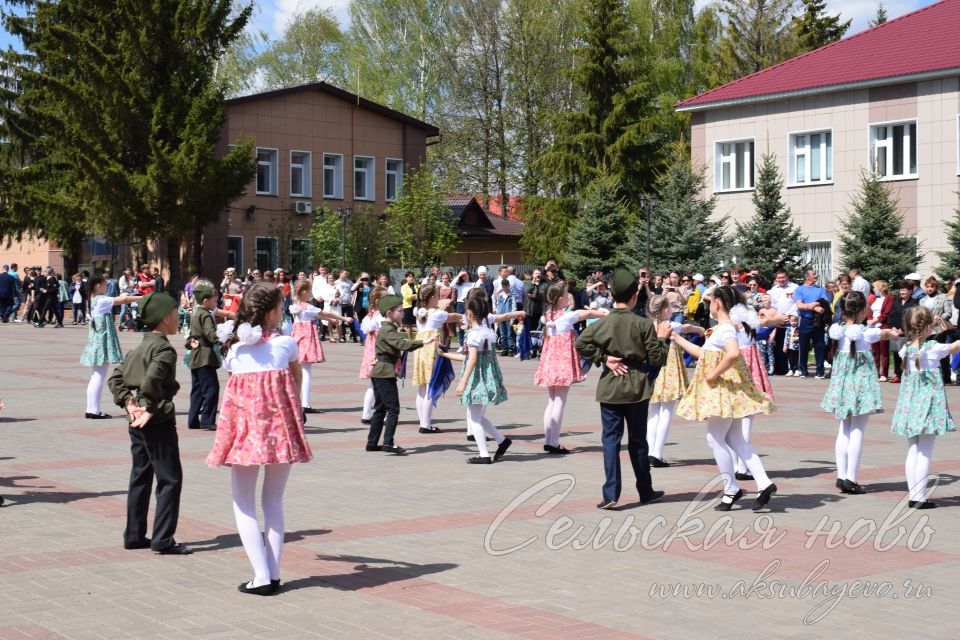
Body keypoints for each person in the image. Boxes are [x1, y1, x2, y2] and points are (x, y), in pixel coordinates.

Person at [206, 282, 313, 595]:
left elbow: (233, 385)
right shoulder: (285, 345)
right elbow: (294, 380)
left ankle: (261, 575)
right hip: (280, 432)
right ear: (271, 312)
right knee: (274, 501)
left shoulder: (235, 351)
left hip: (245, 434)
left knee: (243, 503)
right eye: (280, 307)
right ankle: (274, 572)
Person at [673, 285, 778, 511]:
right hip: (726, 391)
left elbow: (733, 353)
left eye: (710, 300)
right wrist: (676, 338)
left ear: (718, 303)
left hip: (723, 391)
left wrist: (713, 372)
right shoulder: (721, 328)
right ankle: (764, 482)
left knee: (715, 438)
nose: (708, 304)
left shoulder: (726, 329)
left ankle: (731, 488)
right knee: (736, 439)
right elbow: (705, 354)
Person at [575, 267, 669, 510]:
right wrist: (662, 338)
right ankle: (645, 491)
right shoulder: (643, 324)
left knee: (610, 441)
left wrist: (604, 358)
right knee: (638, 442)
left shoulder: (602, 323)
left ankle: (610, 494)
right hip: (637, 386)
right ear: (634, 297)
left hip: (610, 387)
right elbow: (657, 357)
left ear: (613, 295)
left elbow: (580, 342)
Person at [108, 291, 191, 555]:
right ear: (165, 318)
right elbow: (151, 381)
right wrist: (149, 406)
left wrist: (127, 402)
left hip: (136, 421)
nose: (179, 318)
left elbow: (115, 379)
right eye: (177, 314)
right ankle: (163, 539)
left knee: (140, 476)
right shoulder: (164, 348)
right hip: (157, 421)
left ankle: (134, 535)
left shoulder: (139, 348)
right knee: (170, 479)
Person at [821, 292, 901, 495]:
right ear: (863, 311)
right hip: (861, 388)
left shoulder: (837, 332)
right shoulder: (866, 332)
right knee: (857, 431)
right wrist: (892, 333)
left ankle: (841, 475)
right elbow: (883, 334)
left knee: (843, 430)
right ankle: (851, 478)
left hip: (842, 387)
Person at [891, 306, 959, 509]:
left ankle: (914, 495)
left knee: (912, 450)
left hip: (910, 406)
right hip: (928, 405)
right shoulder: (933, 349)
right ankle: (919, 497)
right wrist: (942, 325)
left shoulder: (906, 349)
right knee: (925, 451)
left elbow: (919, 339)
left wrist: (932, 326)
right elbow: (955, 345)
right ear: (928, 326)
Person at [535, 281, 609, 454]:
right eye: (567, 294)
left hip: (550, 362)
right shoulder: (566, 316)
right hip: (562, 363)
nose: (570, 296)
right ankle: (553, 442)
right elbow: (588, 312)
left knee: (552, 400)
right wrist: (606, 314)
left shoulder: (547, 316)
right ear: (561, 299)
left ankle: (548, 439)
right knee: (560, 400)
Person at [439, 296, 513, 463]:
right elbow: (471, 358)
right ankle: (502, 440)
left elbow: (471, 360)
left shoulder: (473, 334)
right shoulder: (487, 332)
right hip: (487, 377)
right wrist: (445, 354)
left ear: (470, 313)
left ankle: (484, 454)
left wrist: (462, 382)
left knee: (474, 419)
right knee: (477, 415)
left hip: (477, 378)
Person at [366, 294, 436, 454]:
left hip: (381, 371)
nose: (403, 313)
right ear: (389, 313)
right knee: (393, 409)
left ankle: (372, 443)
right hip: (384, 372)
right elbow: (402, 343)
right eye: (399, 311)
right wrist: (423, 342)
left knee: (380, 409)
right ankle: (388, 443)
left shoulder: (388, 329)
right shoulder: (387, 330)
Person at [645, 295, 705, 467]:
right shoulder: (671, 326)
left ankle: (649, 452)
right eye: (670, 307)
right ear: (665, 310)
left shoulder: (647, 327)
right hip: (669, 373)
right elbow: (687, 327)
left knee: (653, 413)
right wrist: (699, 330)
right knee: (666, 413)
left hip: (652, 373)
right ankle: (657, 453)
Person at [81, 277, 142, 419]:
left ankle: (91, 409)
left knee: (95, 375)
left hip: (95, 342)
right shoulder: (102, 300)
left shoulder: (93, 300)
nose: (106, 286)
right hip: (101, 343)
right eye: (104, 284)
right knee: (98, 376)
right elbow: (124, 300)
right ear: (97, 286)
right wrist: (143, 297)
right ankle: (94, 410)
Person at [289, 280, 350, 414]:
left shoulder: (296, 305)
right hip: (306, 338)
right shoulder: (307, 306)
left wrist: (332, 320)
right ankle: (305, 403)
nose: (311, 293)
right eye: (310, 290)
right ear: (304, 292)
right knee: (306, 371)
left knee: (300, 370)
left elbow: (318, 315)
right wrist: (343, 319)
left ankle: (299, 402)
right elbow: (325, 313)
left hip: (297, 337)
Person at [411, 285, 461, 433]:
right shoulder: (437, 314)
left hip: (420, 350)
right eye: (437, 295)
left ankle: (423, 422)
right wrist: (464, 316)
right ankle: (425, 425)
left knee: (422, 387)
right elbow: (455, 317)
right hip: (432, 350)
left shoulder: (420, 314)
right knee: (431, 386)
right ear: (432, 298)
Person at [185, 283, 221, 430]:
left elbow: (191, 335)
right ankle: (207, 420)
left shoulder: (196, 313)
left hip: (195, 356)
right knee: (212, 389)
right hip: (205, 356)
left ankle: (193, 420)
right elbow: (210, 333)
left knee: (198, 390)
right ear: (205, 300)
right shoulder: (205, 315)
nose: (216, 303)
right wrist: (223, 339)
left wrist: (190, 342)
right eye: (214, 300)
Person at [359, 287, 388, 424]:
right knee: (383, 384)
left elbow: (365, 329)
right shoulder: (380, 317)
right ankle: (384, 414)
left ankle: (366, 414)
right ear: (378, 301)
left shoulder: (370, 315)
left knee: (373, 384)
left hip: (371, 352)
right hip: (380, 352)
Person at [793, 269, 829, 378]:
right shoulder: (799, 289)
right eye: (813, 274)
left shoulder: (820, 289)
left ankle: (820, 372)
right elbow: (799, 305)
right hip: (805, 321)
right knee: (803, 347)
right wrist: (814, 308)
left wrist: (812, 305)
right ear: (807, 277)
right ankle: (803, 371)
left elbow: (825, 302)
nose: (816, 276)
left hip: (818, 321)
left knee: (819, 346)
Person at [888, 281, 919, 383]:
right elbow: (891, 316)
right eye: (901, 290)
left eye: (904, 290)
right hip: (896, 332)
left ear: (910, 291)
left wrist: (905, 330)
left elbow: (914, 318)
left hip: (908, 333)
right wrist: (893, 328)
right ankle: (898, 375)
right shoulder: (896, 302)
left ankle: (908, 375)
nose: (902, 292)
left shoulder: (914, 302)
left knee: (907, 354)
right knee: (896, 354)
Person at [867, 280, 893, 381]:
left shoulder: (889, 298)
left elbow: (886, 313)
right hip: (873, 327)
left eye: (875, 287)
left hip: (883, 326)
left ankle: (884, 373)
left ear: (880, 287)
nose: (873, 289)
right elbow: (869, 310)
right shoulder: (874, 299)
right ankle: (875, 372)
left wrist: (874, 320)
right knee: (874, 351)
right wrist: (869, 320)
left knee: (884, 351)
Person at [400, 271, 418, 336]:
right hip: (408, 307)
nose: (411, 278)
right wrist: (415, 296)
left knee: (419, 323)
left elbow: (421, 294)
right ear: (406, 278)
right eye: (409, 276)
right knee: (409, 325)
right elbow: (406, 297)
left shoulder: (417, 285)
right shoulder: (404, 287)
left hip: (417, 306)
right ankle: (410, 340)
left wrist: (414, 296)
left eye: (412, 276)